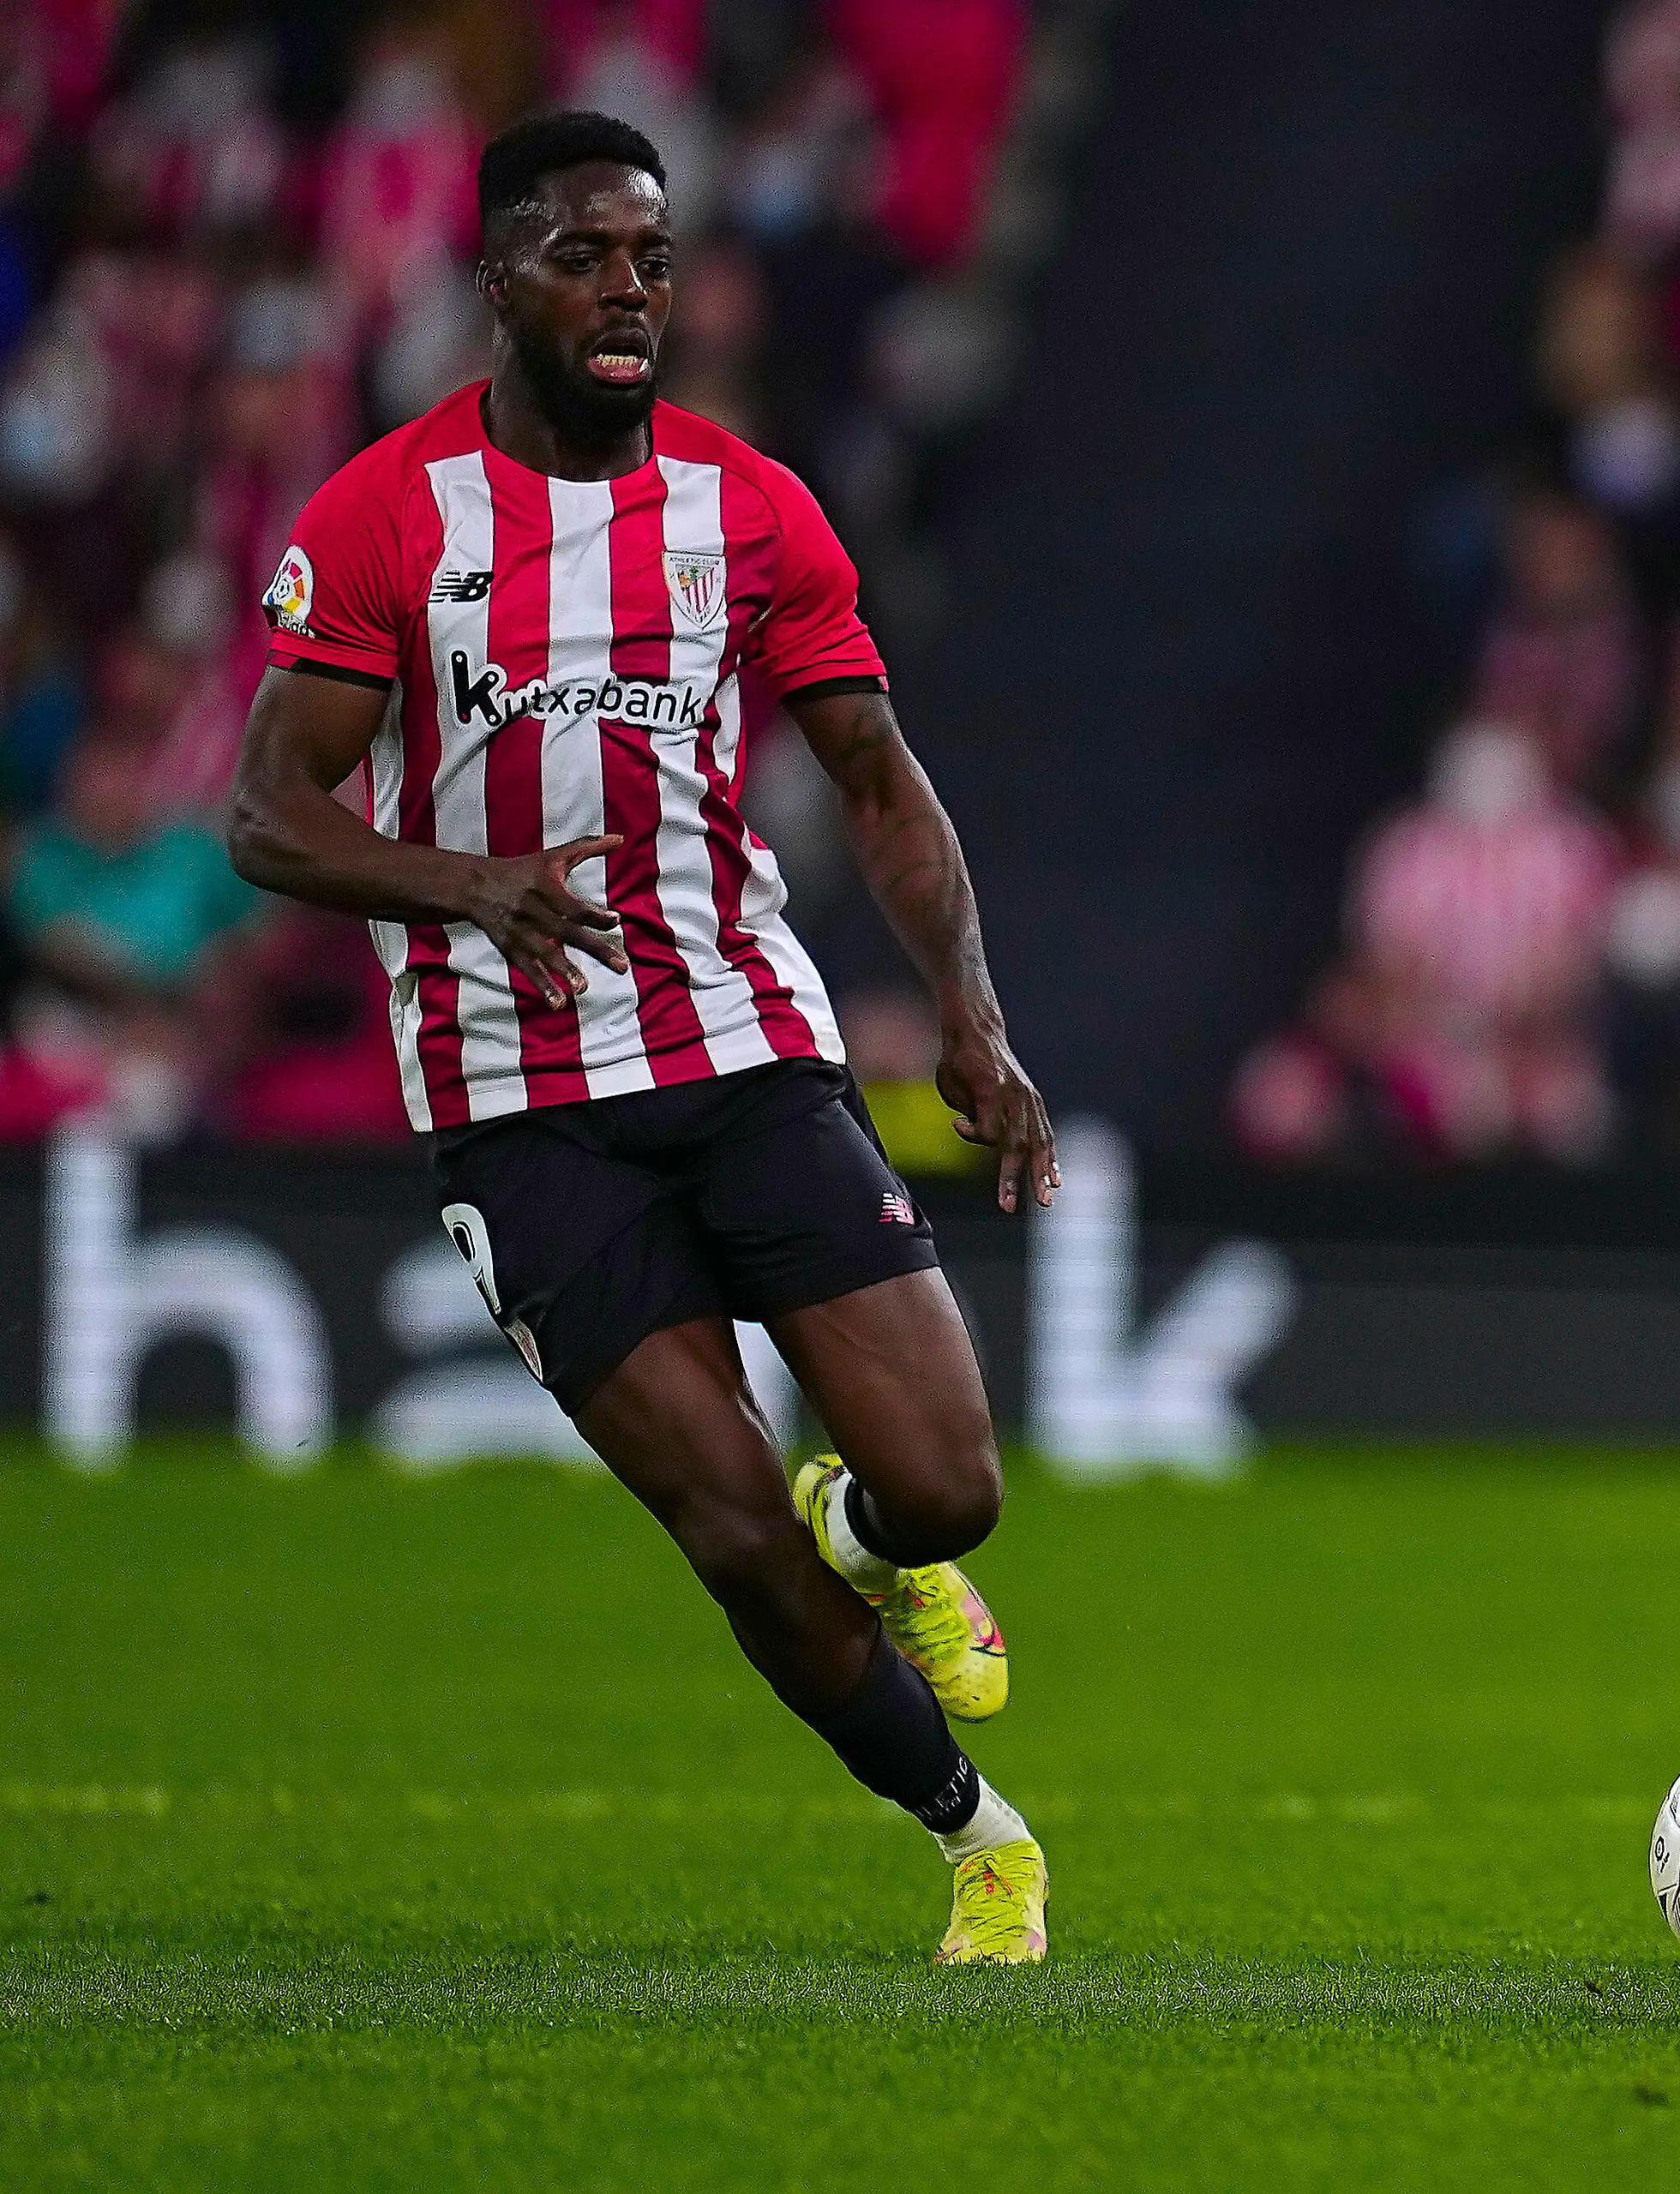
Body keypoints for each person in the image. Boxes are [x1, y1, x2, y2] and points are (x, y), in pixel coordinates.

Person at [225, 113, 1060, 1964]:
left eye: (653, 260)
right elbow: (268, 813)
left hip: (743, 1041)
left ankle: (878, 1534)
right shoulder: (385, 516)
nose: (628, 293)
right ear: (498, 282)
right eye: (586, 257)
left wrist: (974, 1023)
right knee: (729, 1529)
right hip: (519, 1108)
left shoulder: (747, 506)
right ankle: (979, 1841)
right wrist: (468, 881)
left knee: (945, 1489)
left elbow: (879, 778)